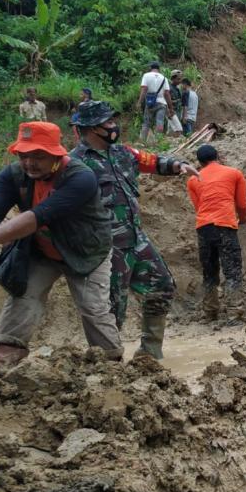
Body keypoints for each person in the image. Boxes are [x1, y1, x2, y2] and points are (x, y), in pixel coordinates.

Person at [71, 101, 199, 359]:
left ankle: (149, 354)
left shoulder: (122, 152)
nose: (113, 126)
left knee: (162, 285)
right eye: (108, 123)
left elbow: (151, 161)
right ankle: (107, 364)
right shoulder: (75, 164)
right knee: (111, 309)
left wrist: (178, 166)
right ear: (92, 129)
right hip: (105, 247)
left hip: (136, 238)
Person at [0, 122, 122, 365]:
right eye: (23, 155)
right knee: (22, 296)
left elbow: (38, 216)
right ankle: (4, 360)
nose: (29, 163)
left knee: (93, 308)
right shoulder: (14, 175)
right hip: (41, 250)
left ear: (56, 153)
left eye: (38, 156)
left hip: (86, 251)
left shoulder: (80, 177)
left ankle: (110, 364)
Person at [186, 144, 246, 323]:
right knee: (232, 270)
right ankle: (234, 313)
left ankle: (210, 312)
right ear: (218, 156)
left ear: (199, 162)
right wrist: (242, 219)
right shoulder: (234, 173)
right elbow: (242, 204)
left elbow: (199, 207)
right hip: (225, 225)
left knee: (209, 270)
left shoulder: (192, 180)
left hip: (204, 227)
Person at [136, 62, 175, 142]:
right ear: (159, 69)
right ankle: (158, 141)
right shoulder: (164, 78)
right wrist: (170, 107)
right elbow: (167, 93)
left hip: (150, 103)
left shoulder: (146, 75)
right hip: (161, 103)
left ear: (151, 68)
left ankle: (143, 141)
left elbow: (144, 89)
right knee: (159, 122)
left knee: (146, 122)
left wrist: (139, 102)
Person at [166, 70, 184, 137]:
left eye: (180, 79)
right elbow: (167, 100)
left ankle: (172, 140)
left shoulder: (177, 88)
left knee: (174, 128)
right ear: (173, 78)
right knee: (174, 128)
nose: (179, 81)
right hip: (172, 111)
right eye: (178, 79)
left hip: (178, 110)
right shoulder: (169, 88)